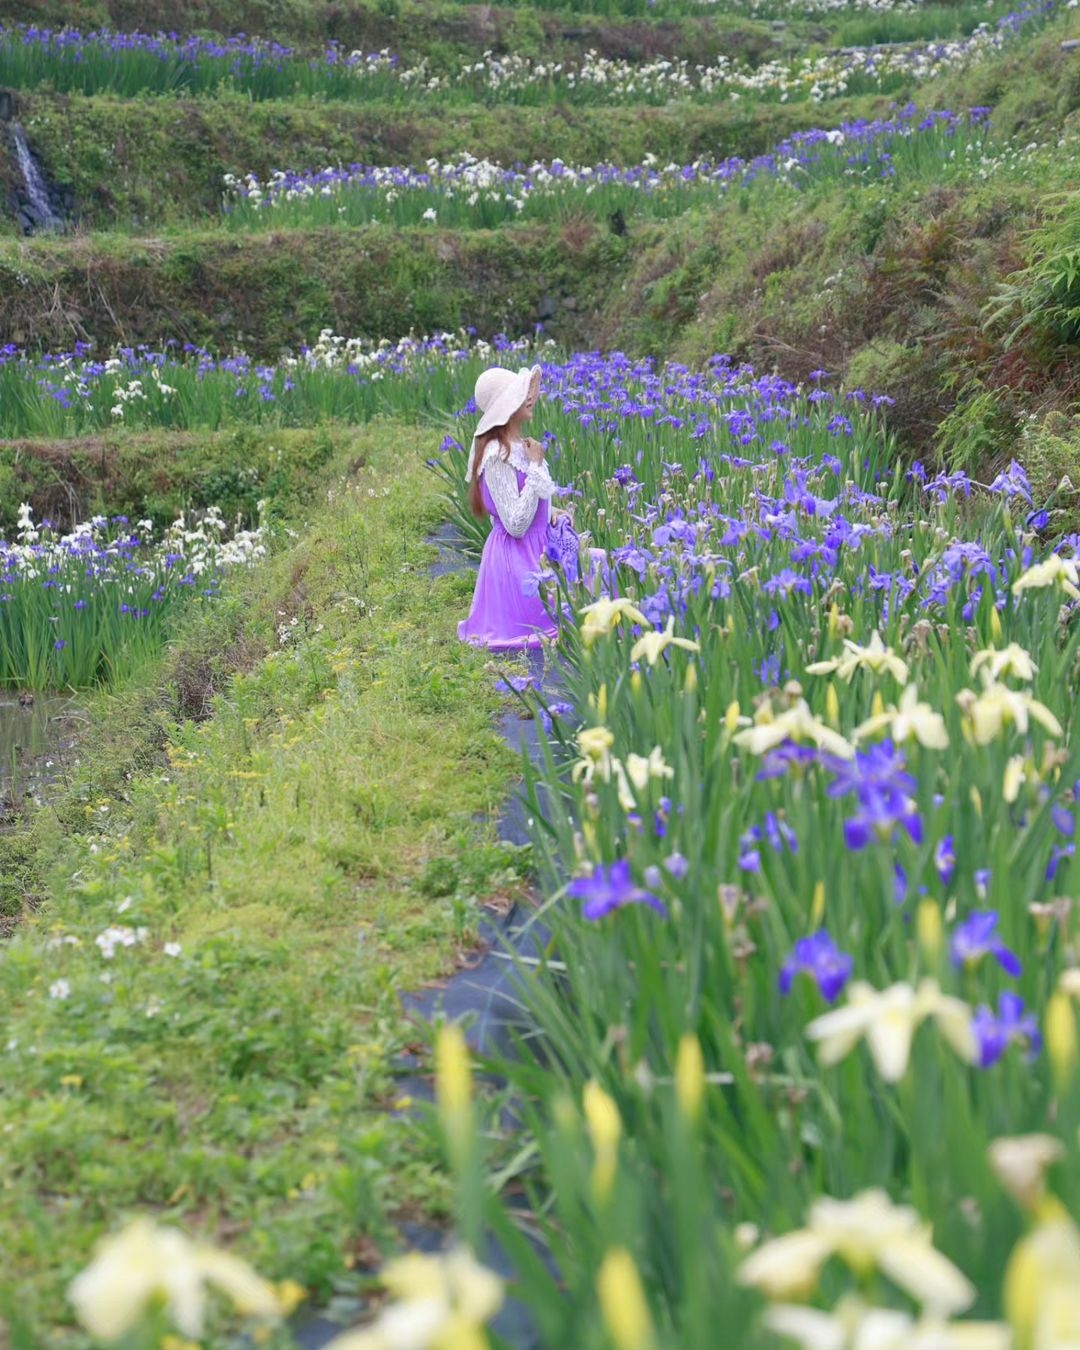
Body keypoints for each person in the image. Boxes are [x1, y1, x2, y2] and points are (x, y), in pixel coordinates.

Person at [457, 364, 560, 651]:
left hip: (539, 548)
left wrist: (551, 513)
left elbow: (526, 502)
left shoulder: (519, 446)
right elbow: (514, 524)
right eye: (521, 393)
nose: (529, 398)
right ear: (507, 406)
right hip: (518, 562)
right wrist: (536, 465)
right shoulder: (496, 454)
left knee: (600, 569)